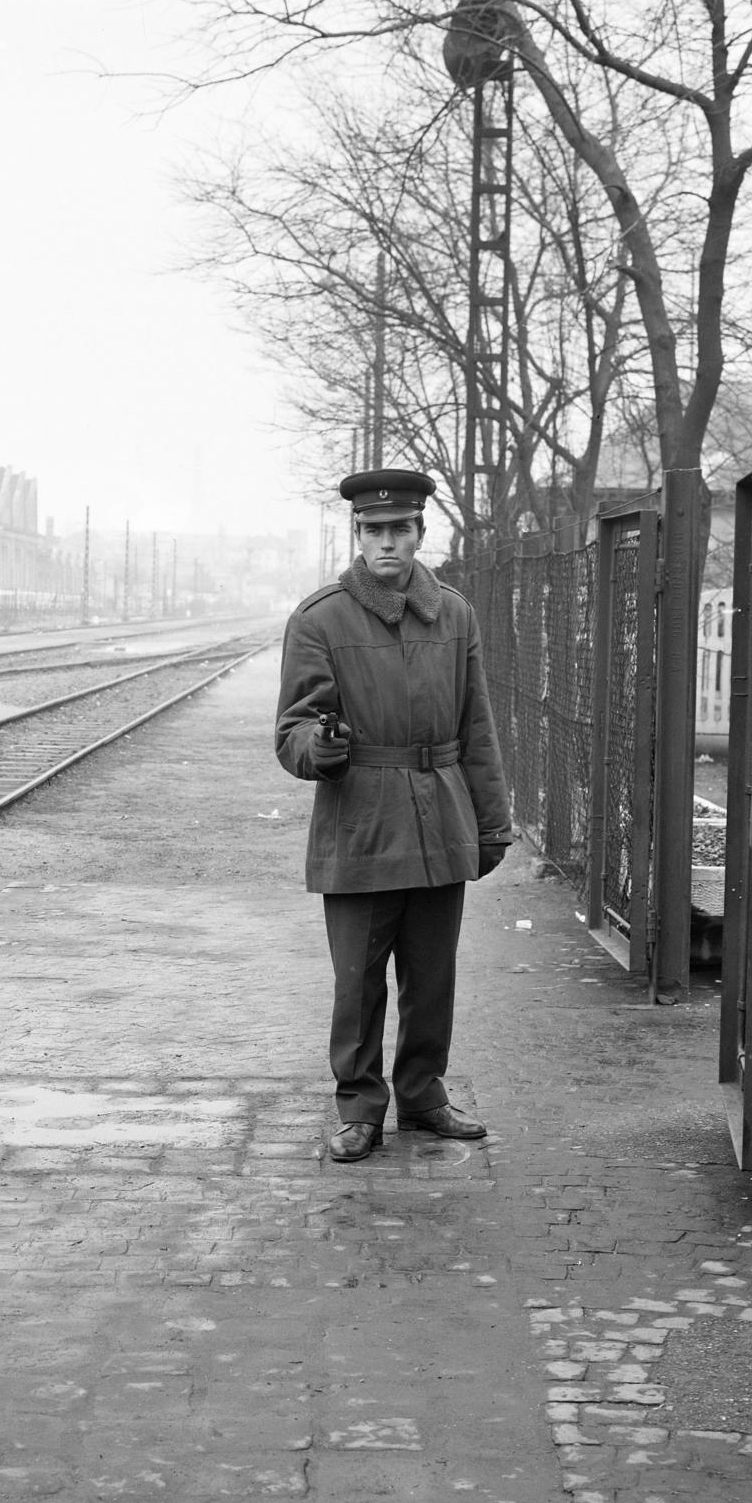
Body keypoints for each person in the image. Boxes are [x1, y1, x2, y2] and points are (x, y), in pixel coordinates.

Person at [276, 468, 512, 1163]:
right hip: (361, 824)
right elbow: (291, 729)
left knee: (431, 972)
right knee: (358, 979)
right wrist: (319, 747)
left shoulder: (456, 613)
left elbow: (478, 726)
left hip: (441, 818)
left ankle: (423, 1093)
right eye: (374, 531)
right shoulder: (319, 619)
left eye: (399, 529)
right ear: (358, 534)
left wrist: (491, 823)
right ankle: (358, 1106)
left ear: (418, 532)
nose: (387, 542)